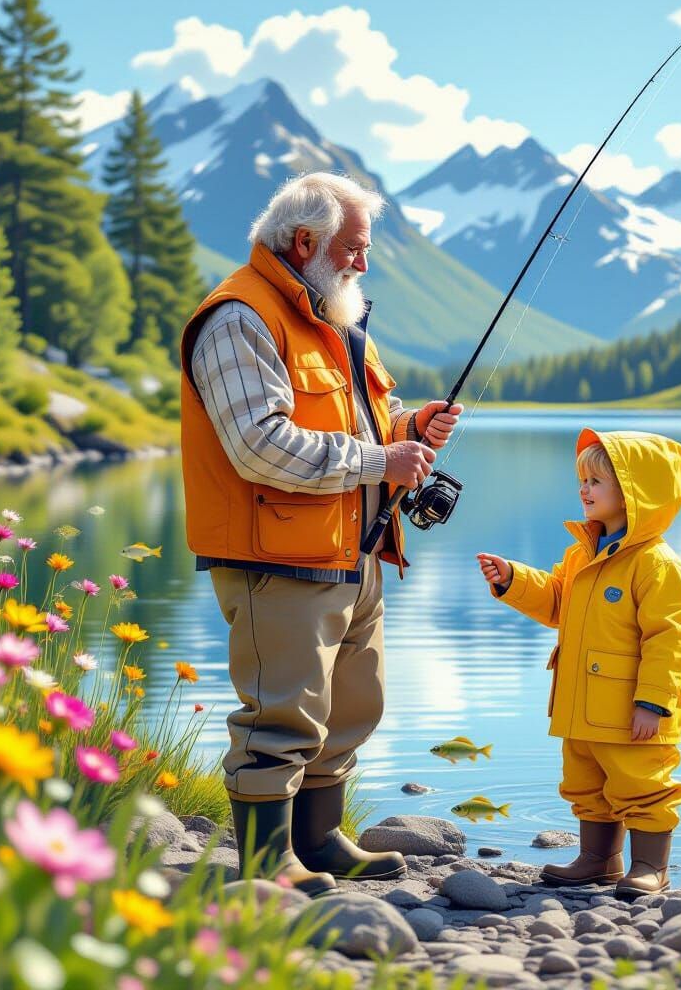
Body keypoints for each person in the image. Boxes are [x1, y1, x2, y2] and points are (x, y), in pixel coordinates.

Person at [179, 171, 462, 896]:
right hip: (278, 558)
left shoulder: (332, 316)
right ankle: (267, 861)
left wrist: (407, 429)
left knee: (349, 708)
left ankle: (320, 840)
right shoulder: (239, 316)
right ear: (304, 241)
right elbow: (260, 446)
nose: (364, 263)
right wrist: (381, 458)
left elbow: (363, 423)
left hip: (354, 551)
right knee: (281, 713)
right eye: (355, 247)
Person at [477, 429, 681, 899]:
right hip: (580, 702)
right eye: (582, 479)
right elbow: (558, 601)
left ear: (636, 493)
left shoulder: (657, 565)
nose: (584, 489)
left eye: (597, 481)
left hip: (630, 709)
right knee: (585, 783)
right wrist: (513, 579)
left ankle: (650, 866)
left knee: (642, 783)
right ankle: (598, 859)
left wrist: (654, 702)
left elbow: (670, 640)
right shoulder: (581, 553)